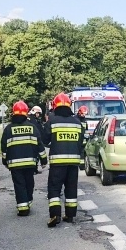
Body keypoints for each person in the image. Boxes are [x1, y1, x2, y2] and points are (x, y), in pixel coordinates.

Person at [0, 101, 48, 216]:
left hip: (15, 165)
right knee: (29, 183)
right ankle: (28, 201)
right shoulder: (32, 127)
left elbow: (3, 147)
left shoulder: (8, 129)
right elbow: (39, 145)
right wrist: (44, 160)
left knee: (19, 184)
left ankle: (23, 208)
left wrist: (4, 161)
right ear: (26, 112)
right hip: (30, 163)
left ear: (13, 113)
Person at [44, 93, 84, 227]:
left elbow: (45, 140)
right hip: (73, 163)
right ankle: (70, 215)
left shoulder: (52, 121)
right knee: (71, 188)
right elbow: (81, 143)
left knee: (54, 189)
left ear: (55, 106)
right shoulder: (77, 122)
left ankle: (55, 214)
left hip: (57, 163)